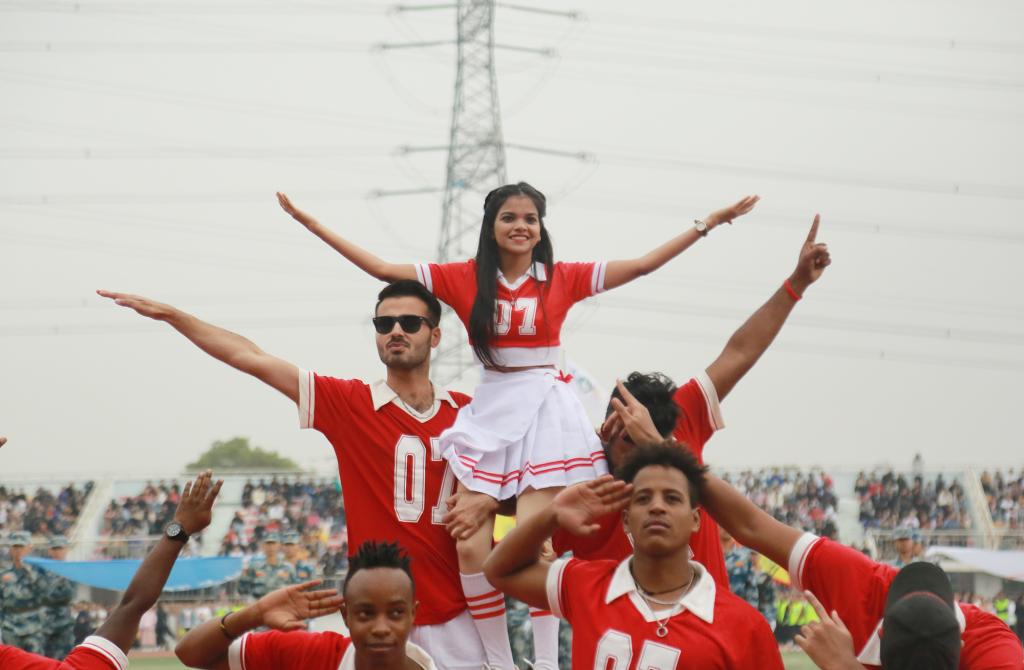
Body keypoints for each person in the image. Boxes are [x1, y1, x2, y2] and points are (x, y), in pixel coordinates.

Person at [279, 185, 759, 667]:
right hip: (492, 412)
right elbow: (383, 269)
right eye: (509, 217)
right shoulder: (465, 278)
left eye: (531, 218)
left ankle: (546, 662)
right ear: (491, 226)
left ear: (540, 228)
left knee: (536, 542)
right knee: (469, 543)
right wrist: (311, 223)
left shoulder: (561, 277)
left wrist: (706, 224)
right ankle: (501, 661)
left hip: (544, 412)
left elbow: (640, 266)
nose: (521, 226)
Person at [99, 280, 489, 668]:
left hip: (459, 617)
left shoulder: (472, 414)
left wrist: (487, 501)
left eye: (409, 322)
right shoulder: (350, 403)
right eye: (384, 324)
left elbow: (512, 490)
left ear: (435, 335)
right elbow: (250, 357)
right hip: (374, 614)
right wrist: (173, 316)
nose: (396, 331)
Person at [552, 215, 832, 590]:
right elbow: (521, 538)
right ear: (606, 430)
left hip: (708, 619)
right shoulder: (576, 479)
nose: (640, 456)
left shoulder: (683, 417)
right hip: (621, 626)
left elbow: (739, 353)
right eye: (629, 440)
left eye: (649, 439)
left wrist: (796, 284)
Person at [482, 444, 783, 668]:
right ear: (625, 519)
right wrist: (552, 514)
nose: (657, 507)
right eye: (643, 498)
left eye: (672, 498)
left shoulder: (745, 627)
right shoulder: (586, 583)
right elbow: (499, 570)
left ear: (695, 519)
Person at [693, 467, 1024, 668]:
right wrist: (678, 459)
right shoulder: (861, 582)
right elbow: (752, 526)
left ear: (882, 634)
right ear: (958, 646)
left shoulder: (993, 648)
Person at [0, 470, 222, 670]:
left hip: (46, 630)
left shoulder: (46, 572)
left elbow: (131, 605)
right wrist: (179, 530)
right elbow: (133, 605)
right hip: (21, 631)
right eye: (15, 546)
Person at [175, 540, 436, 670]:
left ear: (413, 614)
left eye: (396, 613)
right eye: (365, 614)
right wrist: (255, 614)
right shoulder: (312, 654)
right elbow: (190, 653)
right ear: (346, 616)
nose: (381, 628)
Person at [0, 531, 44, 654]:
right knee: (12, 661)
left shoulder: (39, 572)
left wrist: (29, 572)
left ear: (29, 548)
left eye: (21, 546)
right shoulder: (3, 574)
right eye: (15, 547)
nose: (18, 550)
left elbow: (45, 596)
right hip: (10, 627)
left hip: (33, 627)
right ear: (10, 549)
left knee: (35, 661)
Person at [39, 536, 76, 658]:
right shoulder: (43, 570)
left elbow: (70, 594)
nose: (57, 552)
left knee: (64, 658)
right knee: (44, 658)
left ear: (66, 550)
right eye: (54, 549)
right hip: (45, 621)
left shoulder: (71, 570)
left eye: (60, 548)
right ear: (50, 551)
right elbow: (42, 593)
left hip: (64, 621)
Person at [238, 534, 296, 600]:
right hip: (260, 603)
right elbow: (242, 590)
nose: (271, 547)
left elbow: (296, 591)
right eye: (268, 544)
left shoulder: (288, 568)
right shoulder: (254, 568)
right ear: (263, 546)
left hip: (282, 604)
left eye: (273, 544)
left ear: (279, 545)